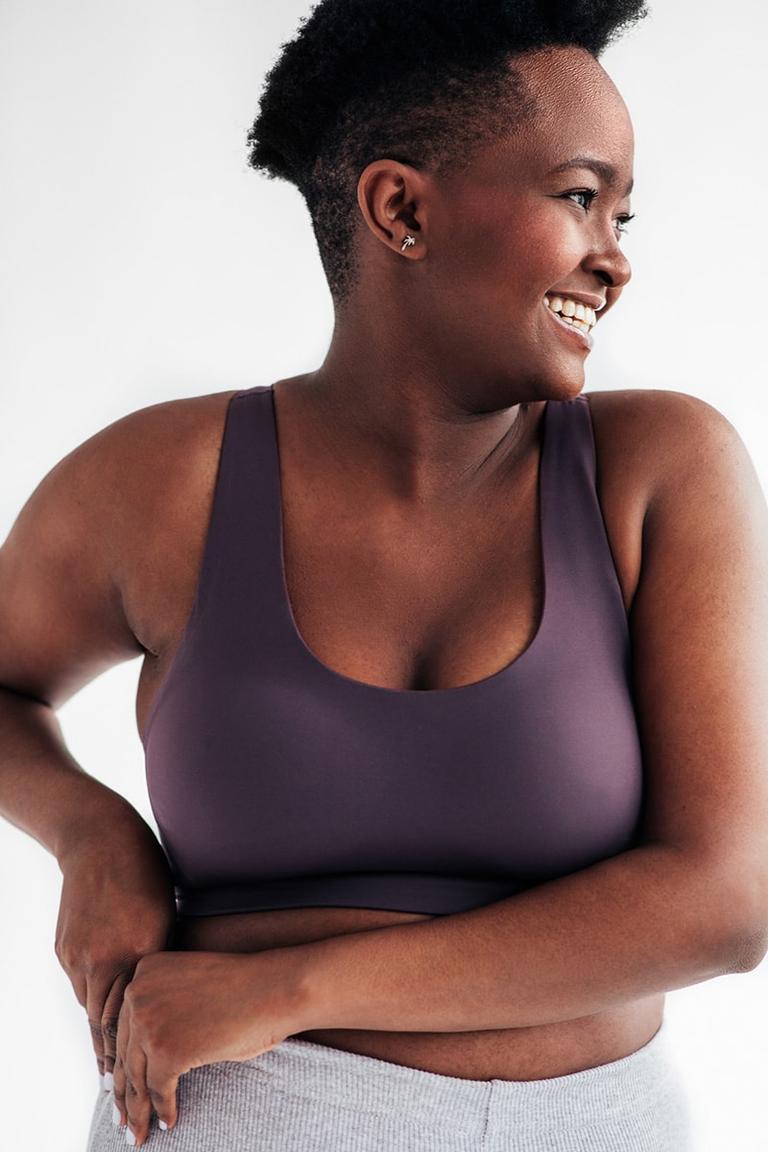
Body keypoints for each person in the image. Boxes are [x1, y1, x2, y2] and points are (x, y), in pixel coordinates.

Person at [1, 1, 767, 1149]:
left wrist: (288, 988)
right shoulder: (165, 482)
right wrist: (90, 832)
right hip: (243, 1120)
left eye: (623, 212)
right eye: (578, 197)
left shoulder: (660, 469)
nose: (615, 258)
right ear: (401, 207)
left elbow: (724, 902)